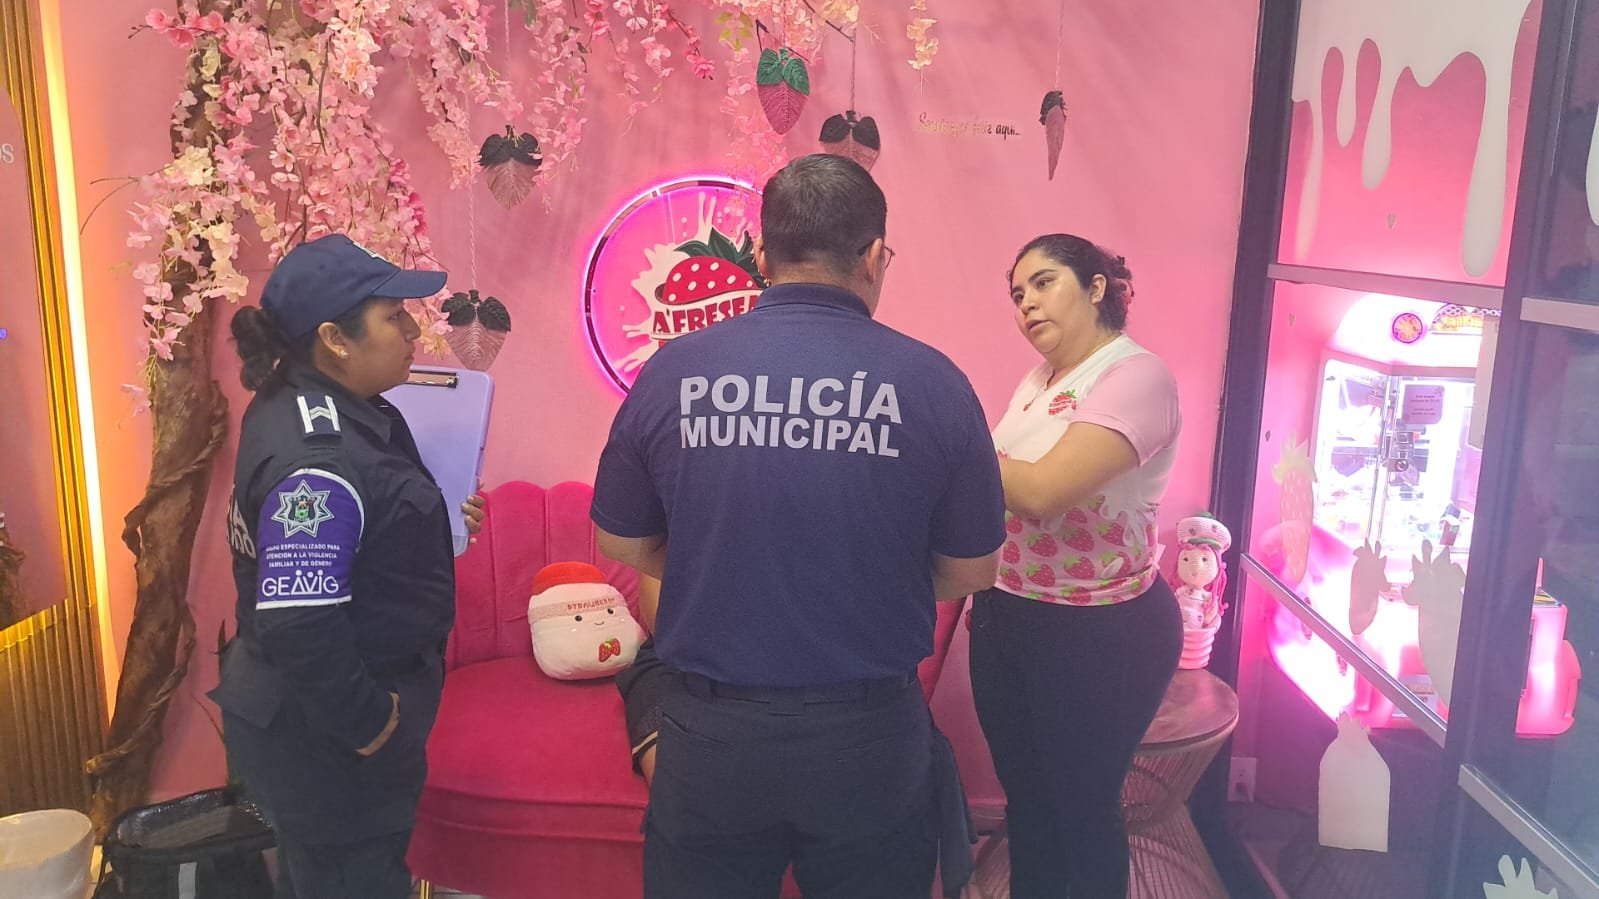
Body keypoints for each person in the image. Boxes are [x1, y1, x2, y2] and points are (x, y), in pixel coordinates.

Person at [591, 153, 1005, 899]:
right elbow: (972, 568)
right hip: (869, 737)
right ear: (874, 256)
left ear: (759, 255)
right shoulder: (935, 382)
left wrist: (713, 559)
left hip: (710, 737)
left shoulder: (671, 370)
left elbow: (619, 543)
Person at [209, 234, 485, 899]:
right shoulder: (317, 457)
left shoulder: (331, 404)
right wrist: (368, 723)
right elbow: (300, 618)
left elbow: (354, 542)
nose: (413, 328)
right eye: (393, 316)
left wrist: (436, 526)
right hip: (328, 742)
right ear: (335, 338)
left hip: (316, 725)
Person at [971, 234, 1183, 899]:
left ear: (1095, 288)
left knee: (1081, 807)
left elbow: (1041, 492)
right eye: (1016, 293)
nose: (1025, 303)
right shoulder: (1038, 381)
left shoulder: (1137, 376)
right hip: (1007, 613)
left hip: (1099, 629)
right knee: (1027, 804)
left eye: (1043, 283)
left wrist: (945, 441)